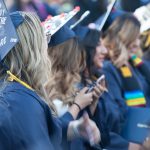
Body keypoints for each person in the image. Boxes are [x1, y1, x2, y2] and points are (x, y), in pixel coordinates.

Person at [0, 10, 100, 150]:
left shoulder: (17, 90)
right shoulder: (18, 101)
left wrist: (75, 129)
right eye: (44, 40)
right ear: (32, 49)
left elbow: (46, 132)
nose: (46, 49)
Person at [46, 25, 103, 150]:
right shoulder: (43, 86)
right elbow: (54, 132)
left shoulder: (72, 83)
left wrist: (92, 106)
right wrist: (77, 106)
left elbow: (91, 136)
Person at [102, 13, 150, 108]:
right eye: (133, 39)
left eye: (138, 38)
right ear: (122, 38)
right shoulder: (108, 69)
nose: (137, 43)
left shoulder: (136, 63)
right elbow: (119, 108)